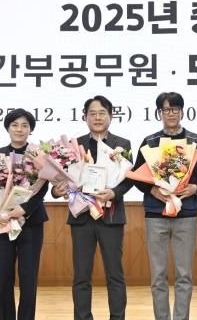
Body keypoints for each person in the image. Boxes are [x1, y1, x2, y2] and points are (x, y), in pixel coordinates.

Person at [52, 95, 132, 320]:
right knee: (81, 276)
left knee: (115, 275)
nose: (97, 118)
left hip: (111, 217)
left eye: (102, 113)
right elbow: (59, 181)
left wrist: (114, 193)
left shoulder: (122, 144)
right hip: (82, 218)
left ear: (111, 116)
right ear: (85, 117)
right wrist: (57, 191)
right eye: (93, 114)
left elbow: (129, 179)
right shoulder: (73, 146)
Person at [131, 91, 197, 320]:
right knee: (158, 275)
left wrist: (196, 187)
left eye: (175, 109)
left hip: (187, 213)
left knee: (184, 275)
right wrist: (151, 190)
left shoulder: (196, 141)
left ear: (182, 111)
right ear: (159, 113)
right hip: (156, 214)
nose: (171, 114)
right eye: (166, 109)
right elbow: (136, 175)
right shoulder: (150, 142)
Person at [0, 108, 49, 320]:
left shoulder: (39, 156)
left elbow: (42, 188)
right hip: (1, 222)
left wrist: (24, 210)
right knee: (3, 277)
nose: (19, 129)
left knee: (28, 278)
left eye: (24, 125)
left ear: (30, 129)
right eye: (14, 125)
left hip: (31, 223)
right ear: (8, 128)